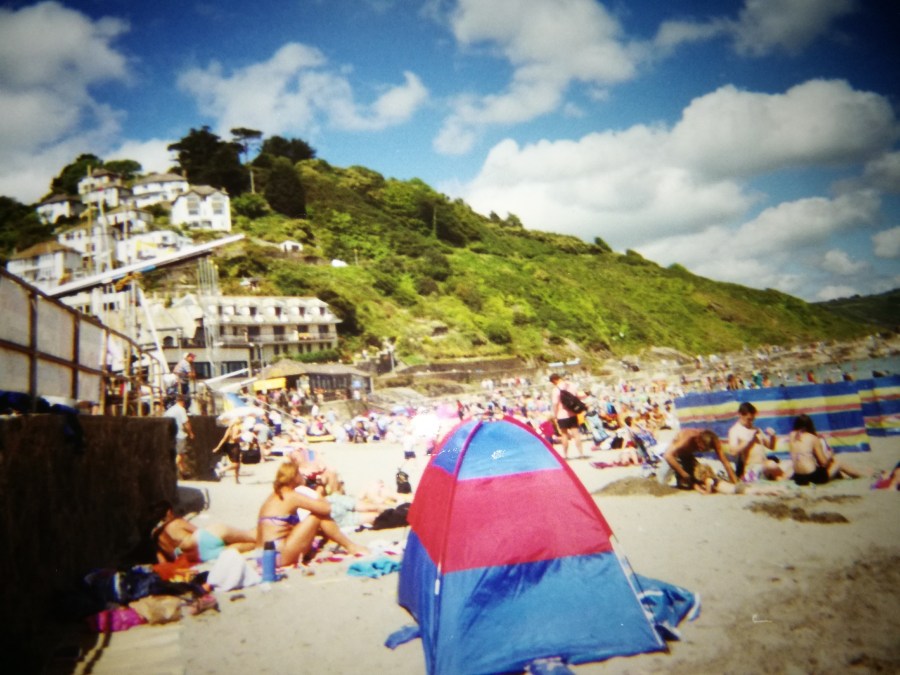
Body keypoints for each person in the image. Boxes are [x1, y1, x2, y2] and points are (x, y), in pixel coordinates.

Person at [257, 462, 368, 567]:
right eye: (300, 474)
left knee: (314, 522)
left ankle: (345, 546)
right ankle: (351, 546)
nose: (302, 476)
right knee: (317, 516)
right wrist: (319, 491)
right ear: (294, 476)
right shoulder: (292, 495)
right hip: (278, 556)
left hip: (264, 557)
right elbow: (326, 509)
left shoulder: (275, 496)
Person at [151, 500, 256, 564]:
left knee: (250, 545)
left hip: (198, 555)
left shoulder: (155, 538)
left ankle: (264, 541)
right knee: (249, 535)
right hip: (200, 540)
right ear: (169, 512)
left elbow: (162, 562)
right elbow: (199, 532)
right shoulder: (175, 523)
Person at [789, 414, 862, 486]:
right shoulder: (813, 438)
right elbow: (823, 463)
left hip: (798, 479)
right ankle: (861, 476)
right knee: (839, 464)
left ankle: (846, 475)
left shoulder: (791, 436)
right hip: (812, 477)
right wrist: (830, 455)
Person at [658, 428, 739, 489]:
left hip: (687, 456)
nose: (701, 450)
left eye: (705, 449)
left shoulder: (714, 440)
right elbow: (668, 456)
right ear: (697, 440)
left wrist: (735, 482)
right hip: (674, 455)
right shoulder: (687, 437)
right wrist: (683, 474)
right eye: (700, 448)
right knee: (660, 482)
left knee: (696, 481)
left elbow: (725, 462)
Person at [727, 402, 776, 481]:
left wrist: (772, 436)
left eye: (753, 419)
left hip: (764, 465)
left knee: (790, 466)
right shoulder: (735, 430)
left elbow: (771, 447)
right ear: (740, 415)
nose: (751, 422)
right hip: (752, 468)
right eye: (749, 419)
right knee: (772, 465)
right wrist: (746, 441)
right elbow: (732, 452)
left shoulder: (756, 429)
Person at [549, 373, 586, 460]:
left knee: (564, 435)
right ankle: (581, 454)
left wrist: (554, 415)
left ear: (554, 380)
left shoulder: (556, 390)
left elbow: (555, 404)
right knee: (576, 434)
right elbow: (577, 396)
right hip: (573, 413)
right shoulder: (571, 385)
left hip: (561, 415)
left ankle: (565, 455)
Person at [163, 395, 193, 478]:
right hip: (180, 435)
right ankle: (172, 470)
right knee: (180, 454)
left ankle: (183, 472)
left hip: (170, 435)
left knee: (179, 454)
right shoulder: (181, 409)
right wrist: (190, 433)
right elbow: (186, 423)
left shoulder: (170, 410)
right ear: (183, 402)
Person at [212, 418, 244, 483]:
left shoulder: (229, 429)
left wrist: (218, 447)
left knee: (237, 463)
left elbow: (224, 439)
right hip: (234, 446)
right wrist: (242, 434)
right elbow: (234, 437)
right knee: (235, 464)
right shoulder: (237, 428)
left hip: (229, 446)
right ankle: (221, 470)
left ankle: (236, 479)